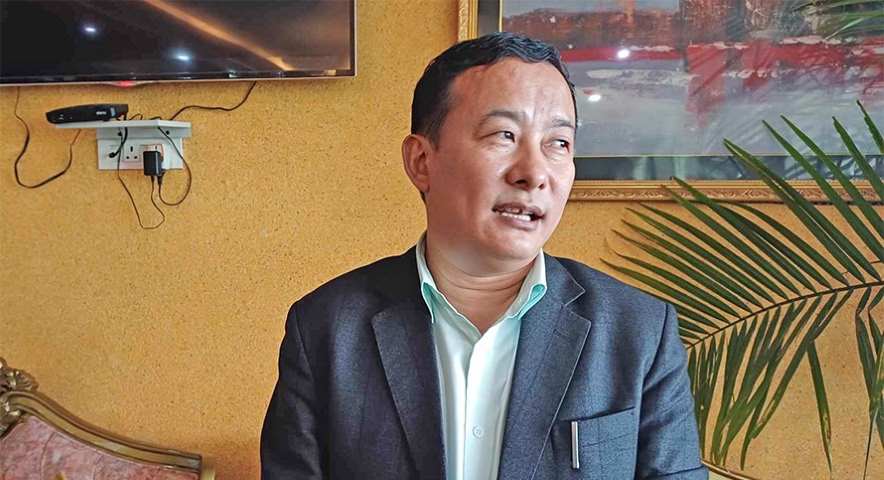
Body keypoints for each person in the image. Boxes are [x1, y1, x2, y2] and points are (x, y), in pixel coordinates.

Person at [261, 32, 707, 480]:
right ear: (421, 161)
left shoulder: (639, 332)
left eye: (558, 143)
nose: (534, 173)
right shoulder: (326, 328)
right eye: (503, 135)